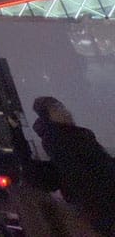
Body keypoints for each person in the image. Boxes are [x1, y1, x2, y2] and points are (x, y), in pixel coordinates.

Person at [32, 96, 115, 235]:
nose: (65, 111)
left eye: (61, 106)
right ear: (49, 115)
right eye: (57, 108)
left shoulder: (65, 135)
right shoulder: (60, 138)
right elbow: (81, 174)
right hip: (102, 201)